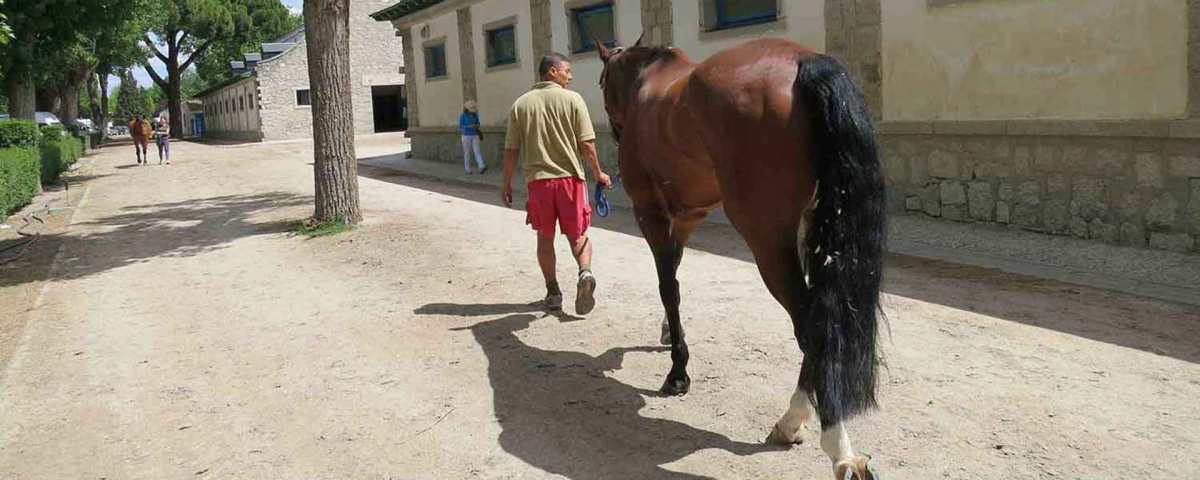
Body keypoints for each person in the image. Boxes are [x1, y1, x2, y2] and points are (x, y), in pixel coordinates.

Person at [501, 53, 612, 315]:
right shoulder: (573, 100)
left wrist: (506, 183)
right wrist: (598, 174)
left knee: (544, 238)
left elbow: (511, 150)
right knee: (578, 235)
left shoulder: (520, 105)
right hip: (570, 181)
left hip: (538, 183)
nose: (570, 76)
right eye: (567, 71)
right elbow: (587, 144)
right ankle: (585, 273)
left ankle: (553, 292)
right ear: (552, 71)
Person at [459, 100, 486, 174]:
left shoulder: (475, 115)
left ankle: (481, 166)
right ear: (467, 109)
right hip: (466, 136)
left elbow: (478, 124)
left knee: (477, 151)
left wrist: (476, 125)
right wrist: (469, 126)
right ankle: (467, 169)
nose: (472, 110)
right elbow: (460, 126)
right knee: (467, 153)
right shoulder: (463, 115)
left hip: (475, 135)